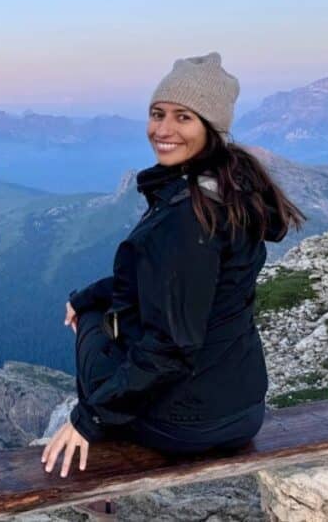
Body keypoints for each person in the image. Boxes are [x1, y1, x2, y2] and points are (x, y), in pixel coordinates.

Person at [41, 52, 306, 488]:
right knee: (89, 306)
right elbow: (176, 284)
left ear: (210, 127)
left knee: (89, 326)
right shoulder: (231, 189)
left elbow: (170, 347)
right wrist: (90, 293)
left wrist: (87, 418)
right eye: (157, 114)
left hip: (186, 424)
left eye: (183, 117)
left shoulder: (185, 220)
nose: (163, 130)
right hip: (243, 409)